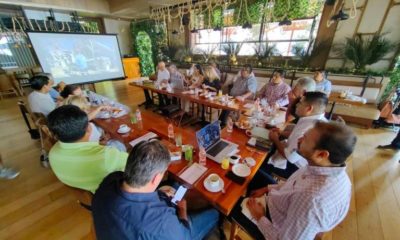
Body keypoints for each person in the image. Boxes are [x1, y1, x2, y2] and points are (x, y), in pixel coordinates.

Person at [230, 121, 357, 240]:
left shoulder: (312, 199)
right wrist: (266, 188)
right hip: (281, 203)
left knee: (228, 204)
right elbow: (293, 186)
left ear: (321, 155)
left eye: (305, 138)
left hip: (274, 222)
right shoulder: (329, 170)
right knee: (251, 174)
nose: (299, 139)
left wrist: (260, 217)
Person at [92, 140, 219, 240]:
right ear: (156, 178)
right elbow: (183, 236)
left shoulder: (110, 180)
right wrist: (182, 211)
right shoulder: (162, 225)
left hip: (116, 228)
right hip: (176, 234)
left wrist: (159, 194)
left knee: (174, 186)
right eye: (163, 173)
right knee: (214, 213)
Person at [47, 105, 128, 193]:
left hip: (85, 190)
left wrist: (100, 145)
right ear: (89, 128)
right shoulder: (107, 156)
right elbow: (136, 164)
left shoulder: (53, 151)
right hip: (110, 194)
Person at [265, 91, 328, 178]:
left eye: (300, 103)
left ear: (309, 108)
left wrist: (275, 139)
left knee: (261, 159)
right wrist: (281, 132)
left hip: (296, 168)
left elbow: (290, 157)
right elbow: (296, 134)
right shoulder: (315, 118)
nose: (297, 105)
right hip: (292, 155)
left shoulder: (311, 128)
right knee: (267, 146)